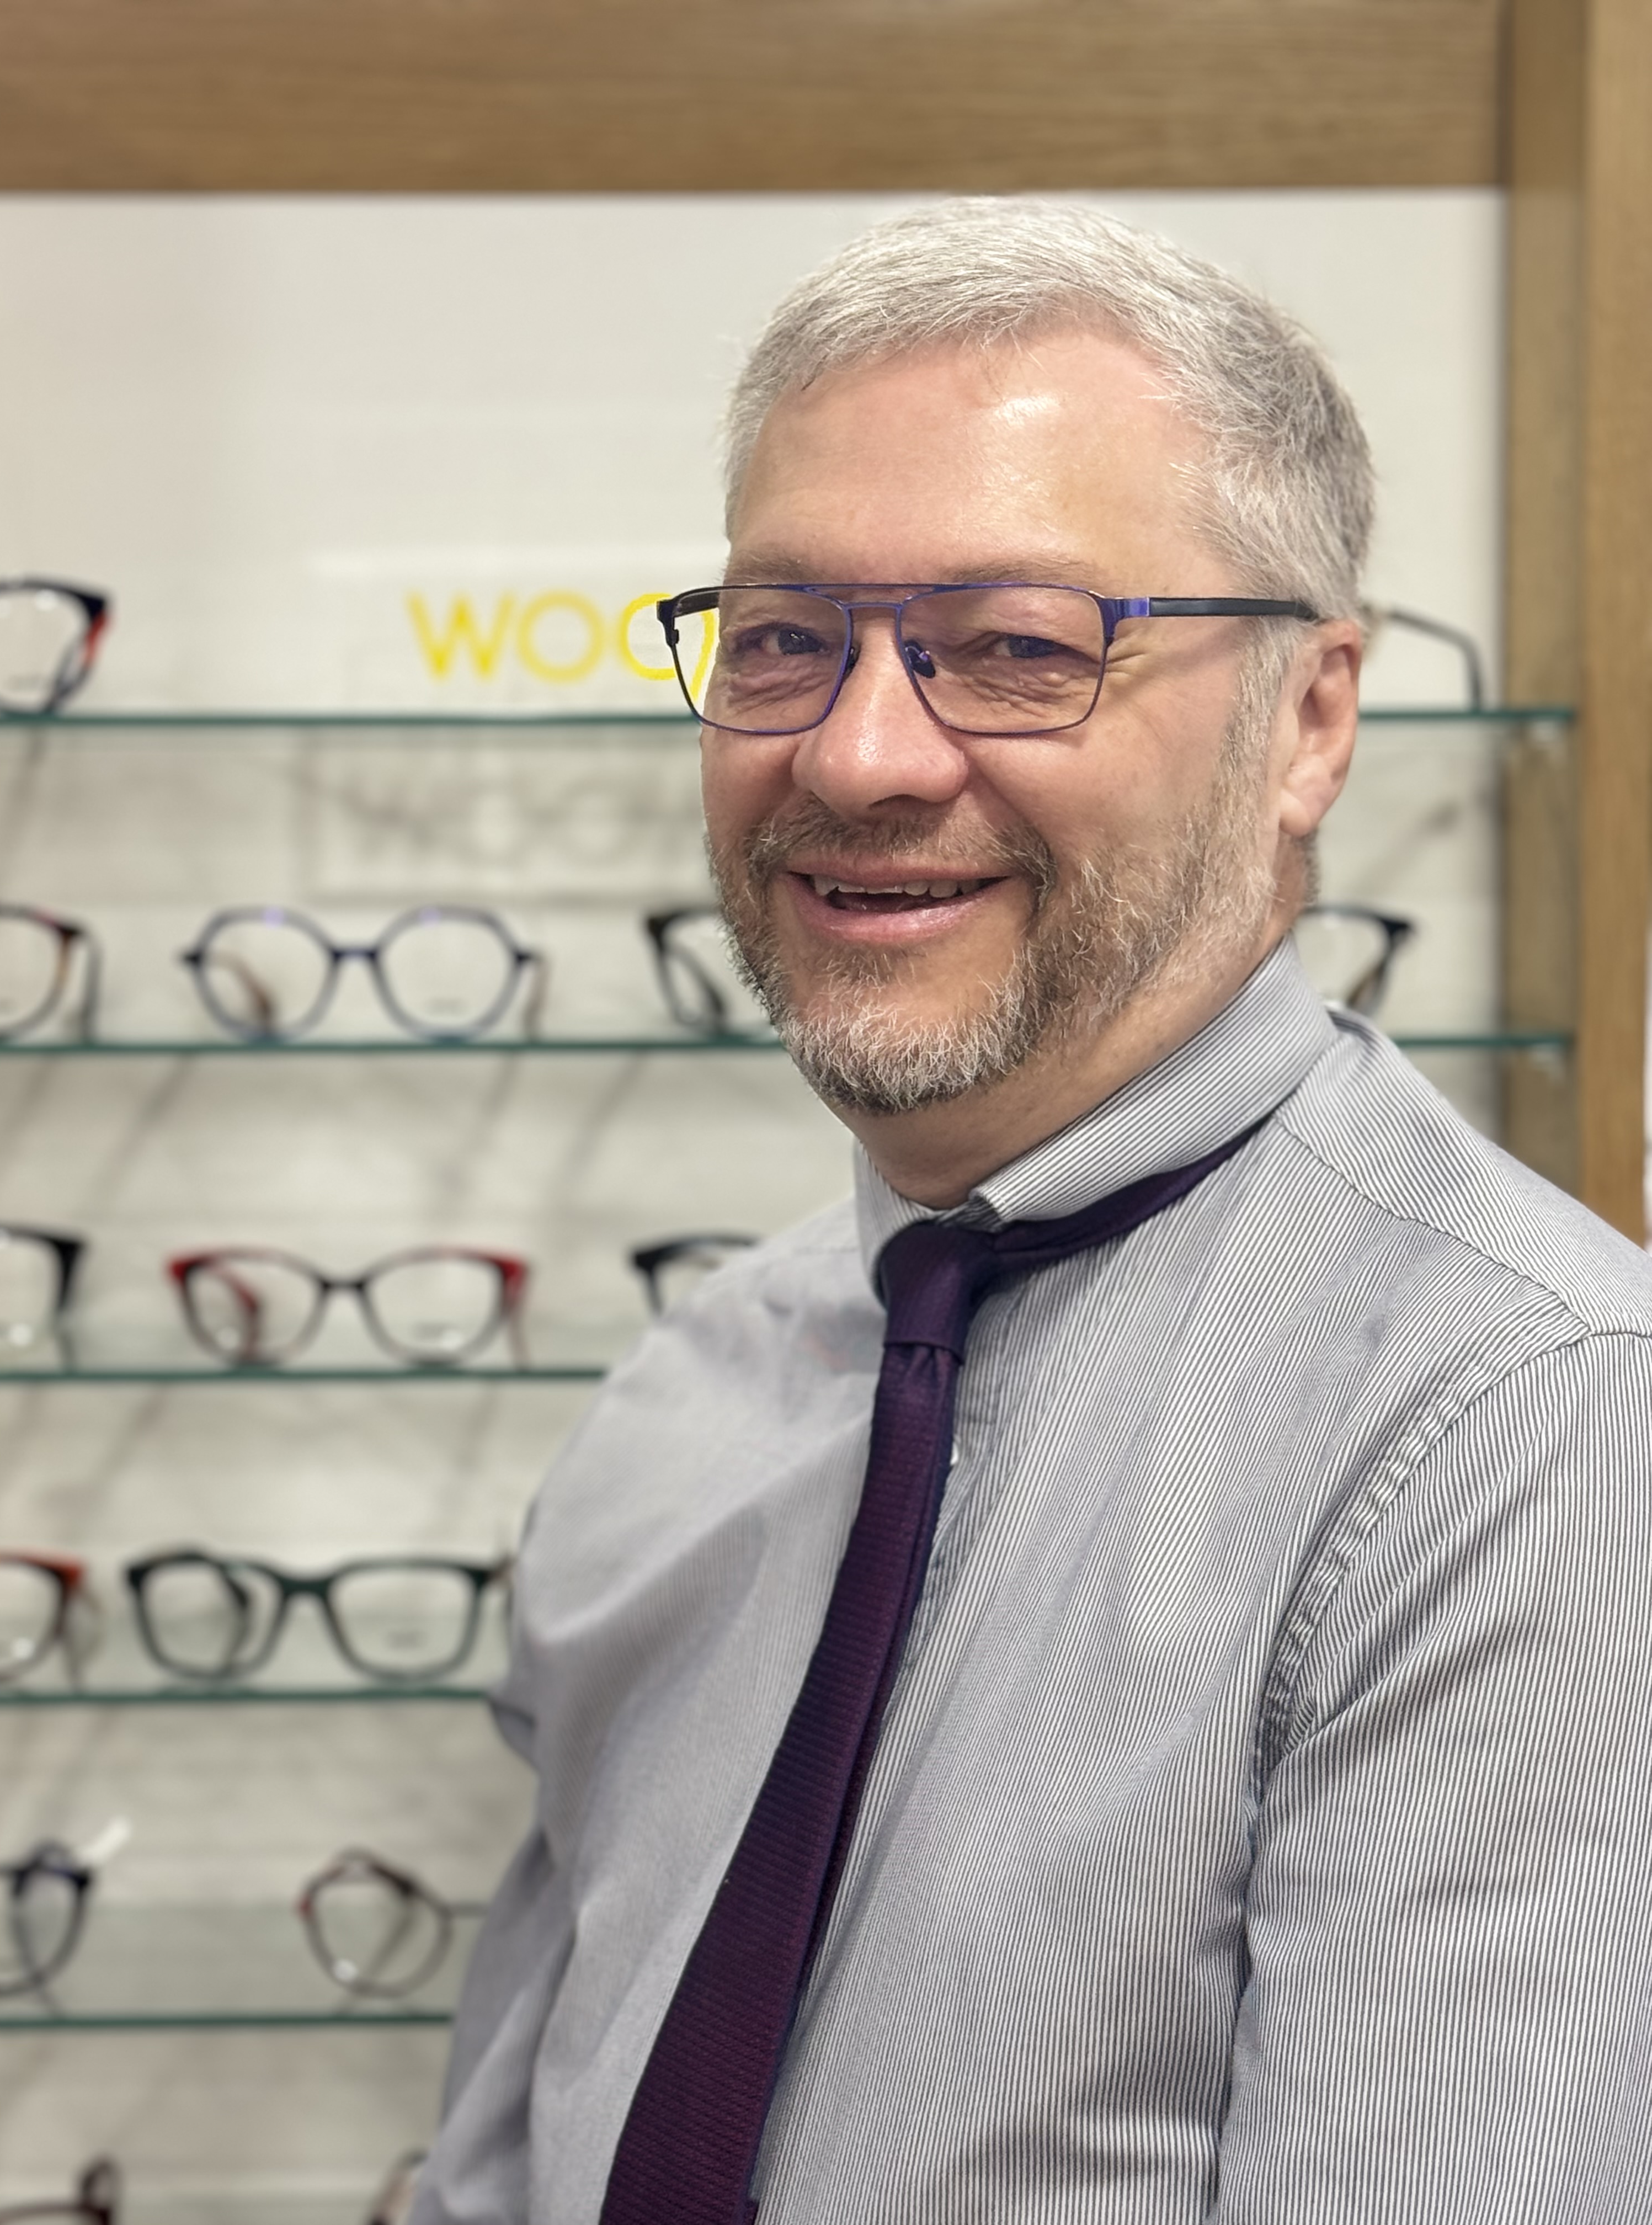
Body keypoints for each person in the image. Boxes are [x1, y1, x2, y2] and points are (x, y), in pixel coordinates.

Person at [414, 201, 1652, 2224]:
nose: (862, 752)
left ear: (1312, 723)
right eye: (785, 637)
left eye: (1018, 650)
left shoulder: (1526, 1431)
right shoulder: (696, 1393)